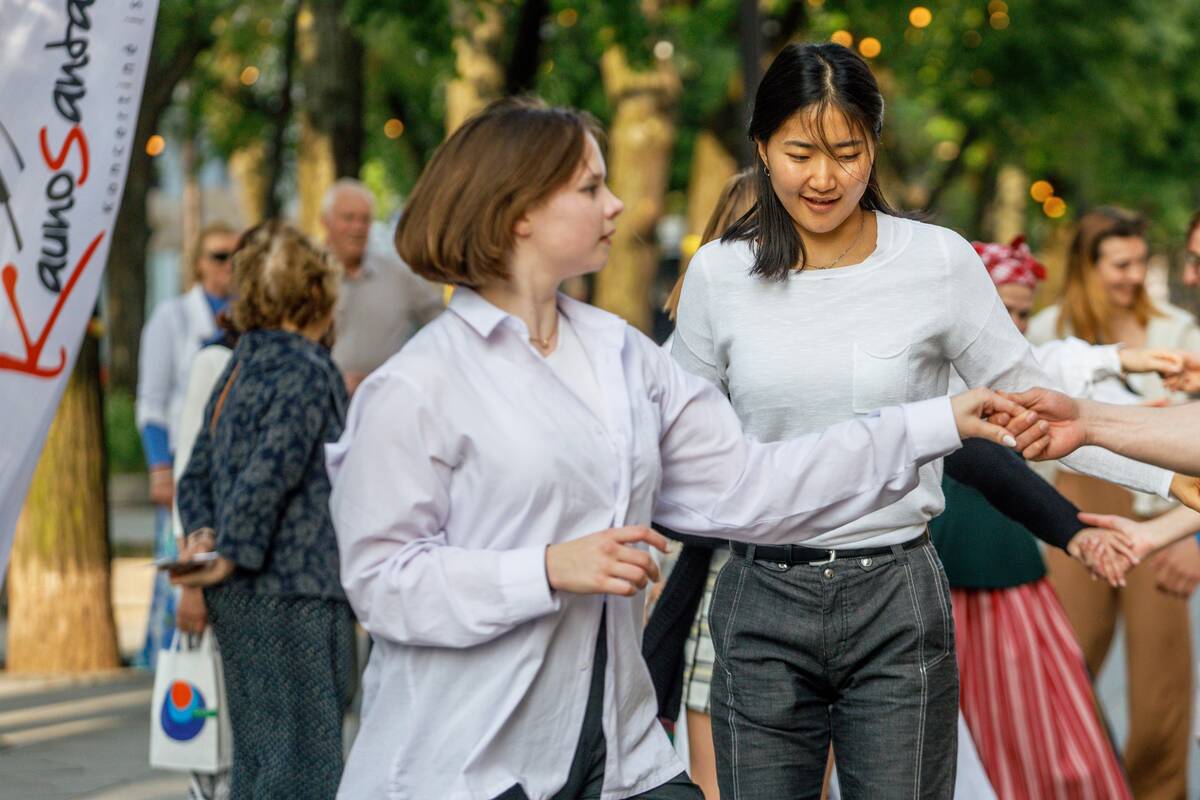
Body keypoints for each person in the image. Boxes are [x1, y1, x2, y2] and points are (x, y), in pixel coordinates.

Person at [324, 97, 1039, 800]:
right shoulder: (417, 385)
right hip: (467, 762)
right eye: (590, 188)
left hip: (621, 761)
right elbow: (381, 583)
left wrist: (930, 424)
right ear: (520, 213)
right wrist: (545, 569)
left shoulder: (622, 356)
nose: (616, 205)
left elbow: (753, 487)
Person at [670, 43, 1183, 799]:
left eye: (847, 153)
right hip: (760, 593)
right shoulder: (720, 273)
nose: (824, 179)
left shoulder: (935, 261)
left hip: (895, 594)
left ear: (875, 147)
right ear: (762, 148)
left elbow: (1036, 404)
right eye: (800, 154)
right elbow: (679, 441)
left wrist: (1168, 477)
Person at [175, 221, 355, 800]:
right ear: (317, 295)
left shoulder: (239, 362)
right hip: (299, 592)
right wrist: (233, 550)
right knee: (304, 763)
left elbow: (196, 472)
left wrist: (204, 537)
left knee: (259, 756)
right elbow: (273, 469)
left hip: (238, 599)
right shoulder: (309, 369)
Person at [1026, 207, 1200, 800]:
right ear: (1087, 265)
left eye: (1140, 263)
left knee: (1161, 696)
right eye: (1120, 264)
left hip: (1165, 508)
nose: (1134, 276)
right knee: (1064, 675)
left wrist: (1194, 540)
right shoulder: (1045, 331)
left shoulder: (1178, 330)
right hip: (1077, 505)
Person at [135, 222, 239, 669]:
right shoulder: (172, 318)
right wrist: (160, 468)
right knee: (181, 570)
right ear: (198, 262)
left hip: (227, 467)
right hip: (184, 463)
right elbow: (152, 403)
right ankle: (173, 666)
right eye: (219, 256)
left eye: (237, 256)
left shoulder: (247, 318)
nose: (229, 265)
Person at [320, 178, 444, 394]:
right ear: (325, 221)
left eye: (365, 219)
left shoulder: (398, 275)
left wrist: (416, 371)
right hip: (321, 402)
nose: (358, 227)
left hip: (387, 400)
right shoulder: (306, 277)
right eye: (348, 218)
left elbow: (443, 324)